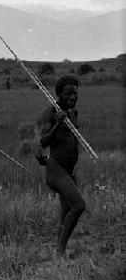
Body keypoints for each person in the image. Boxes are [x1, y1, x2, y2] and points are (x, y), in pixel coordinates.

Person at [38, 75, 85, 258]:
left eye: (75, 94)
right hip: (55, 169)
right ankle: (60, 251)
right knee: (79, 205)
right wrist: (58, 124)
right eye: (68, 94)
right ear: (59, 95)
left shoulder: (74, 114)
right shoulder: (50, 112)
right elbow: (43, 141)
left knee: (66, 212)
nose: (72, 97)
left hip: (69, 171)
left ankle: (58, 254)